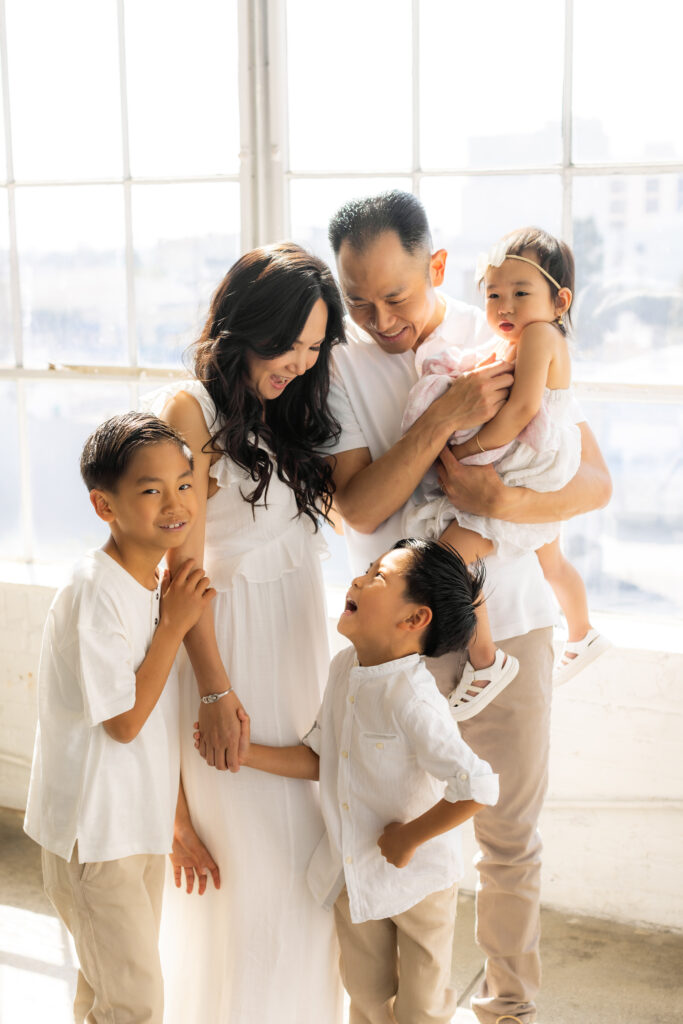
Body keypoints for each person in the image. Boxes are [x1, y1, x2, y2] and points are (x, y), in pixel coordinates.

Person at [325, 191, 612, 1024]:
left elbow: (591, 483)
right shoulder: (335, 363)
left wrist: (495, 500)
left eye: (397, 297)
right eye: (357, 299)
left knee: (507, 835)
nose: (379, 319)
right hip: (395, 645)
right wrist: (446, 417)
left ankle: (508, 1005)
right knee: (396, 832)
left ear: (438, 269)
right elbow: (362, 506)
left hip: (510, 626)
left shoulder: (509, 325)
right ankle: (401, 1011)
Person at [151, 243, 345, 1022]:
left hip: (298, 661)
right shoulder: (188, 409)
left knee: (304, 877)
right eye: (288, 342)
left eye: (313, 348)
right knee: (248, 886)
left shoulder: (284, 412)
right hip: (230, 662)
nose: (299, 362)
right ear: (246, 325)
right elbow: (182, 574)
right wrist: (215, 691)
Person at [235, 538, 500, 1024]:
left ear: (415, 619)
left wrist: (409, 836)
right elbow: (321, 757)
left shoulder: (414, 700)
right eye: (369, 568)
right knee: (367, 996)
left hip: (419, 881)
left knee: (422, 1008)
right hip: (355, 873)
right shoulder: (344, 670)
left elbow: (478, 787)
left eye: (379, 576)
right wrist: (244, 754)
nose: (359, 577)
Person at [23, 413, 217, 1024]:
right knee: (134, 1003)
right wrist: (174, 626)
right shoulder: (94, 589)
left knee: (107, 991)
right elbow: (124, 722)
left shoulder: (148, 582)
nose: (174, 502)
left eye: (184, 484)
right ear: (104, 505)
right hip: (94, 835)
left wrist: (175, 821)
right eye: (150, 489)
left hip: (133, 827)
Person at [401, 226, 610, 700]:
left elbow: (519, 412)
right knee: (551, 560)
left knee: (449, 557)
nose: (505, 306)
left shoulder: (538, 335)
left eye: (520, 292)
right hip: (541, 459)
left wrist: (466, 453)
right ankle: (582, 632)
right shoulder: (531, 336)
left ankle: (485, 662)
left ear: (560, 302)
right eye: (494, 294)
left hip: (529, 465)